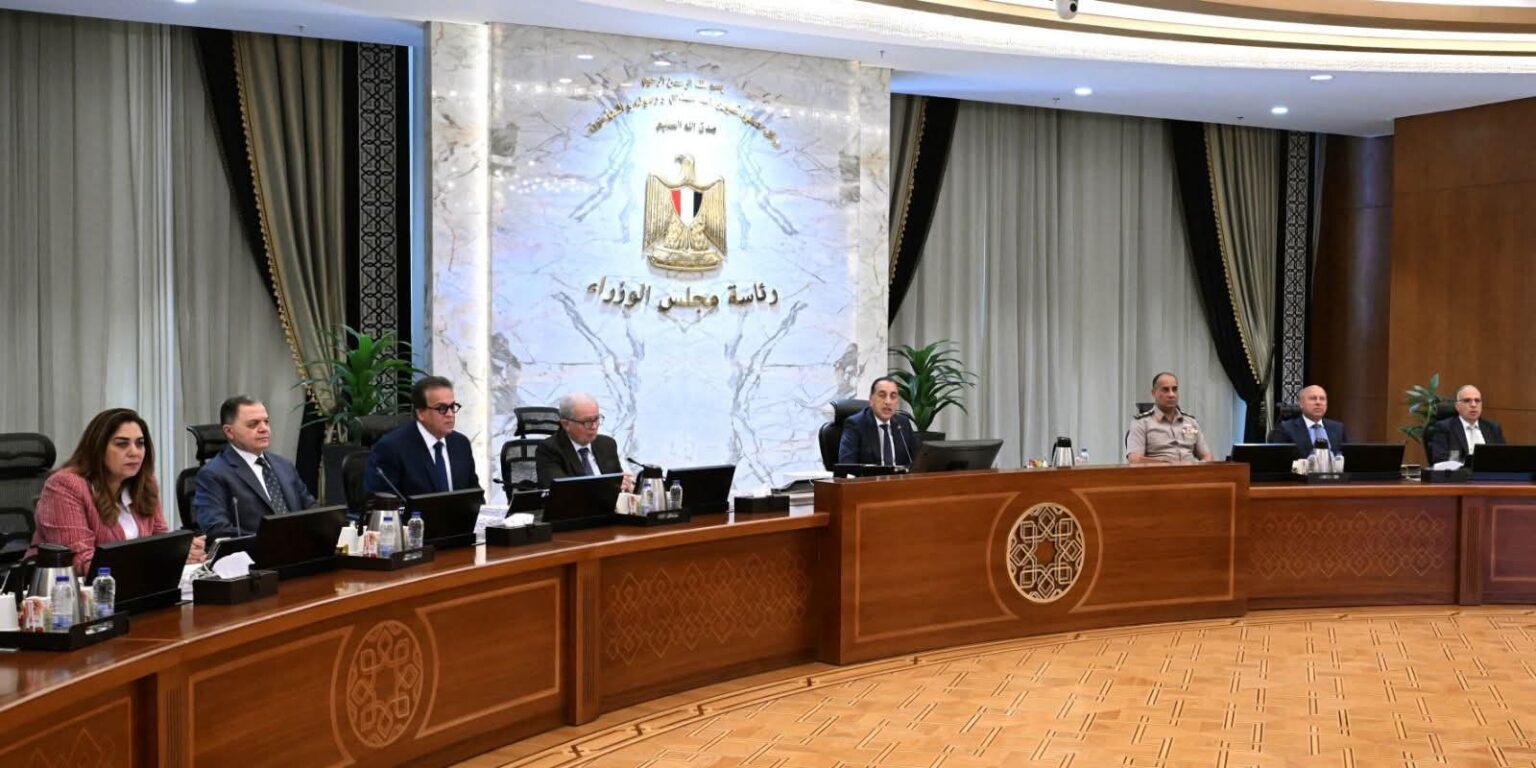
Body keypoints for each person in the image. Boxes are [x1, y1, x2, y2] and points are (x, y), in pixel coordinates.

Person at [30, 408, 206, 576]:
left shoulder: (145, 483)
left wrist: (181, 552)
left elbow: (160, 540)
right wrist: (162, 558)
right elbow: (81, 562)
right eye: (122, 444)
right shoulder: (65, 486)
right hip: (69, 592)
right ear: (98, 448)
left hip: (134, 587)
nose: (134, 452)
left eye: (140, 443)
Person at [193, 396, 316, 540]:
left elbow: (312, 509)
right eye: (253, 424)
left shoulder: (284, 465)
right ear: (229, 432)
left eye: (266, 422)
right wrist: (274, 540)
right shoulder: (213, 474)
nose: (264, 429)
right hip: (254, 551)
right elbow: (218, 529)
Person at [364, 376, 480, 497]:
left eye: (452, 407)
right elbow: (383, 501)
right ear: (420, 413)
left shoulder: (461, 444)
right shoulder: (391, 448)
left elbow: (475, 495)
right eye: (442, 408)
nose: (450, 414)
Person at [534, 393, 635, 491]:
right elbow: (561, 491)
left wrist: (627, 486)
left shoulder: (607, 444)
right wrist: (608, 487)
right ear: (566, 424)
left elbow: (618, 483)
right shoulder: (549, 450)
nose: (594, 427)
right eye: (587, 422)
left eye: (596, 419)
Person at [1126, 372, 1212, 465]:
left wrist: (1200, 466)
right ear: (1154, 393)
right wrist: (1170, 465)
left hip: (1193, 472)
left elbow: (1207, 456)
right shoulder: (1141, 423)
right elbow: (1135, 460)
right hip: (1160, 472)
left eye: (1174, 389)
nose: (1171, 394)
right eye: (1165, 390)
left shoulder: (1191, 422)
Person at [838, 377, 922, 466]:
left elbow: (918, 460)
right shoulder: (856, 424)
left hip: (899, 475)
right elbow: (847, 465)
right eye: (882, 395)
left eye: (893, 396)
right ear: (871, 399)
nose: (888, 402)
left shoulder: (902, 423)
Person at [1428, 384, 1505, 464]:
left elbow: (1504, 455)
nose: (1473, 405)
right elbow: (1440, 459)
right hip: (1459, 471)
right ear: (1457, 406)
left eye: (1477, 401)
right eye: (1467, 401)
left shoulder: (1492, 428)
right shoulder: (1444, 428)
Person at [1267, 385, 1349, 459]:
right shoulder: (1286, 429)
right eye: (1313, 398)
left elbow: (1347, 457)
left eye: (1322, 399)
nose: (1318, 402)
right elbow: (1277, 460)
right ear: (1301, 404)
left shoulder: (1337, 428)